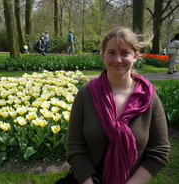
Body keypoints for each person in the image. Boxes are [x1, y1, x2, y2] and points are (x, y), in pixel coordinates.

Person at [64, 27, 170, 184]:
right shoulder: (86, 95)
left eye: (125, 52)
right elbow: (75, 148)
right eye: (111, 52)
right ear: (103, 56)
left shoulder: (149, 98)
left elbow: (159, 152)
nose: (118, 59)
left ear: (135, 56)